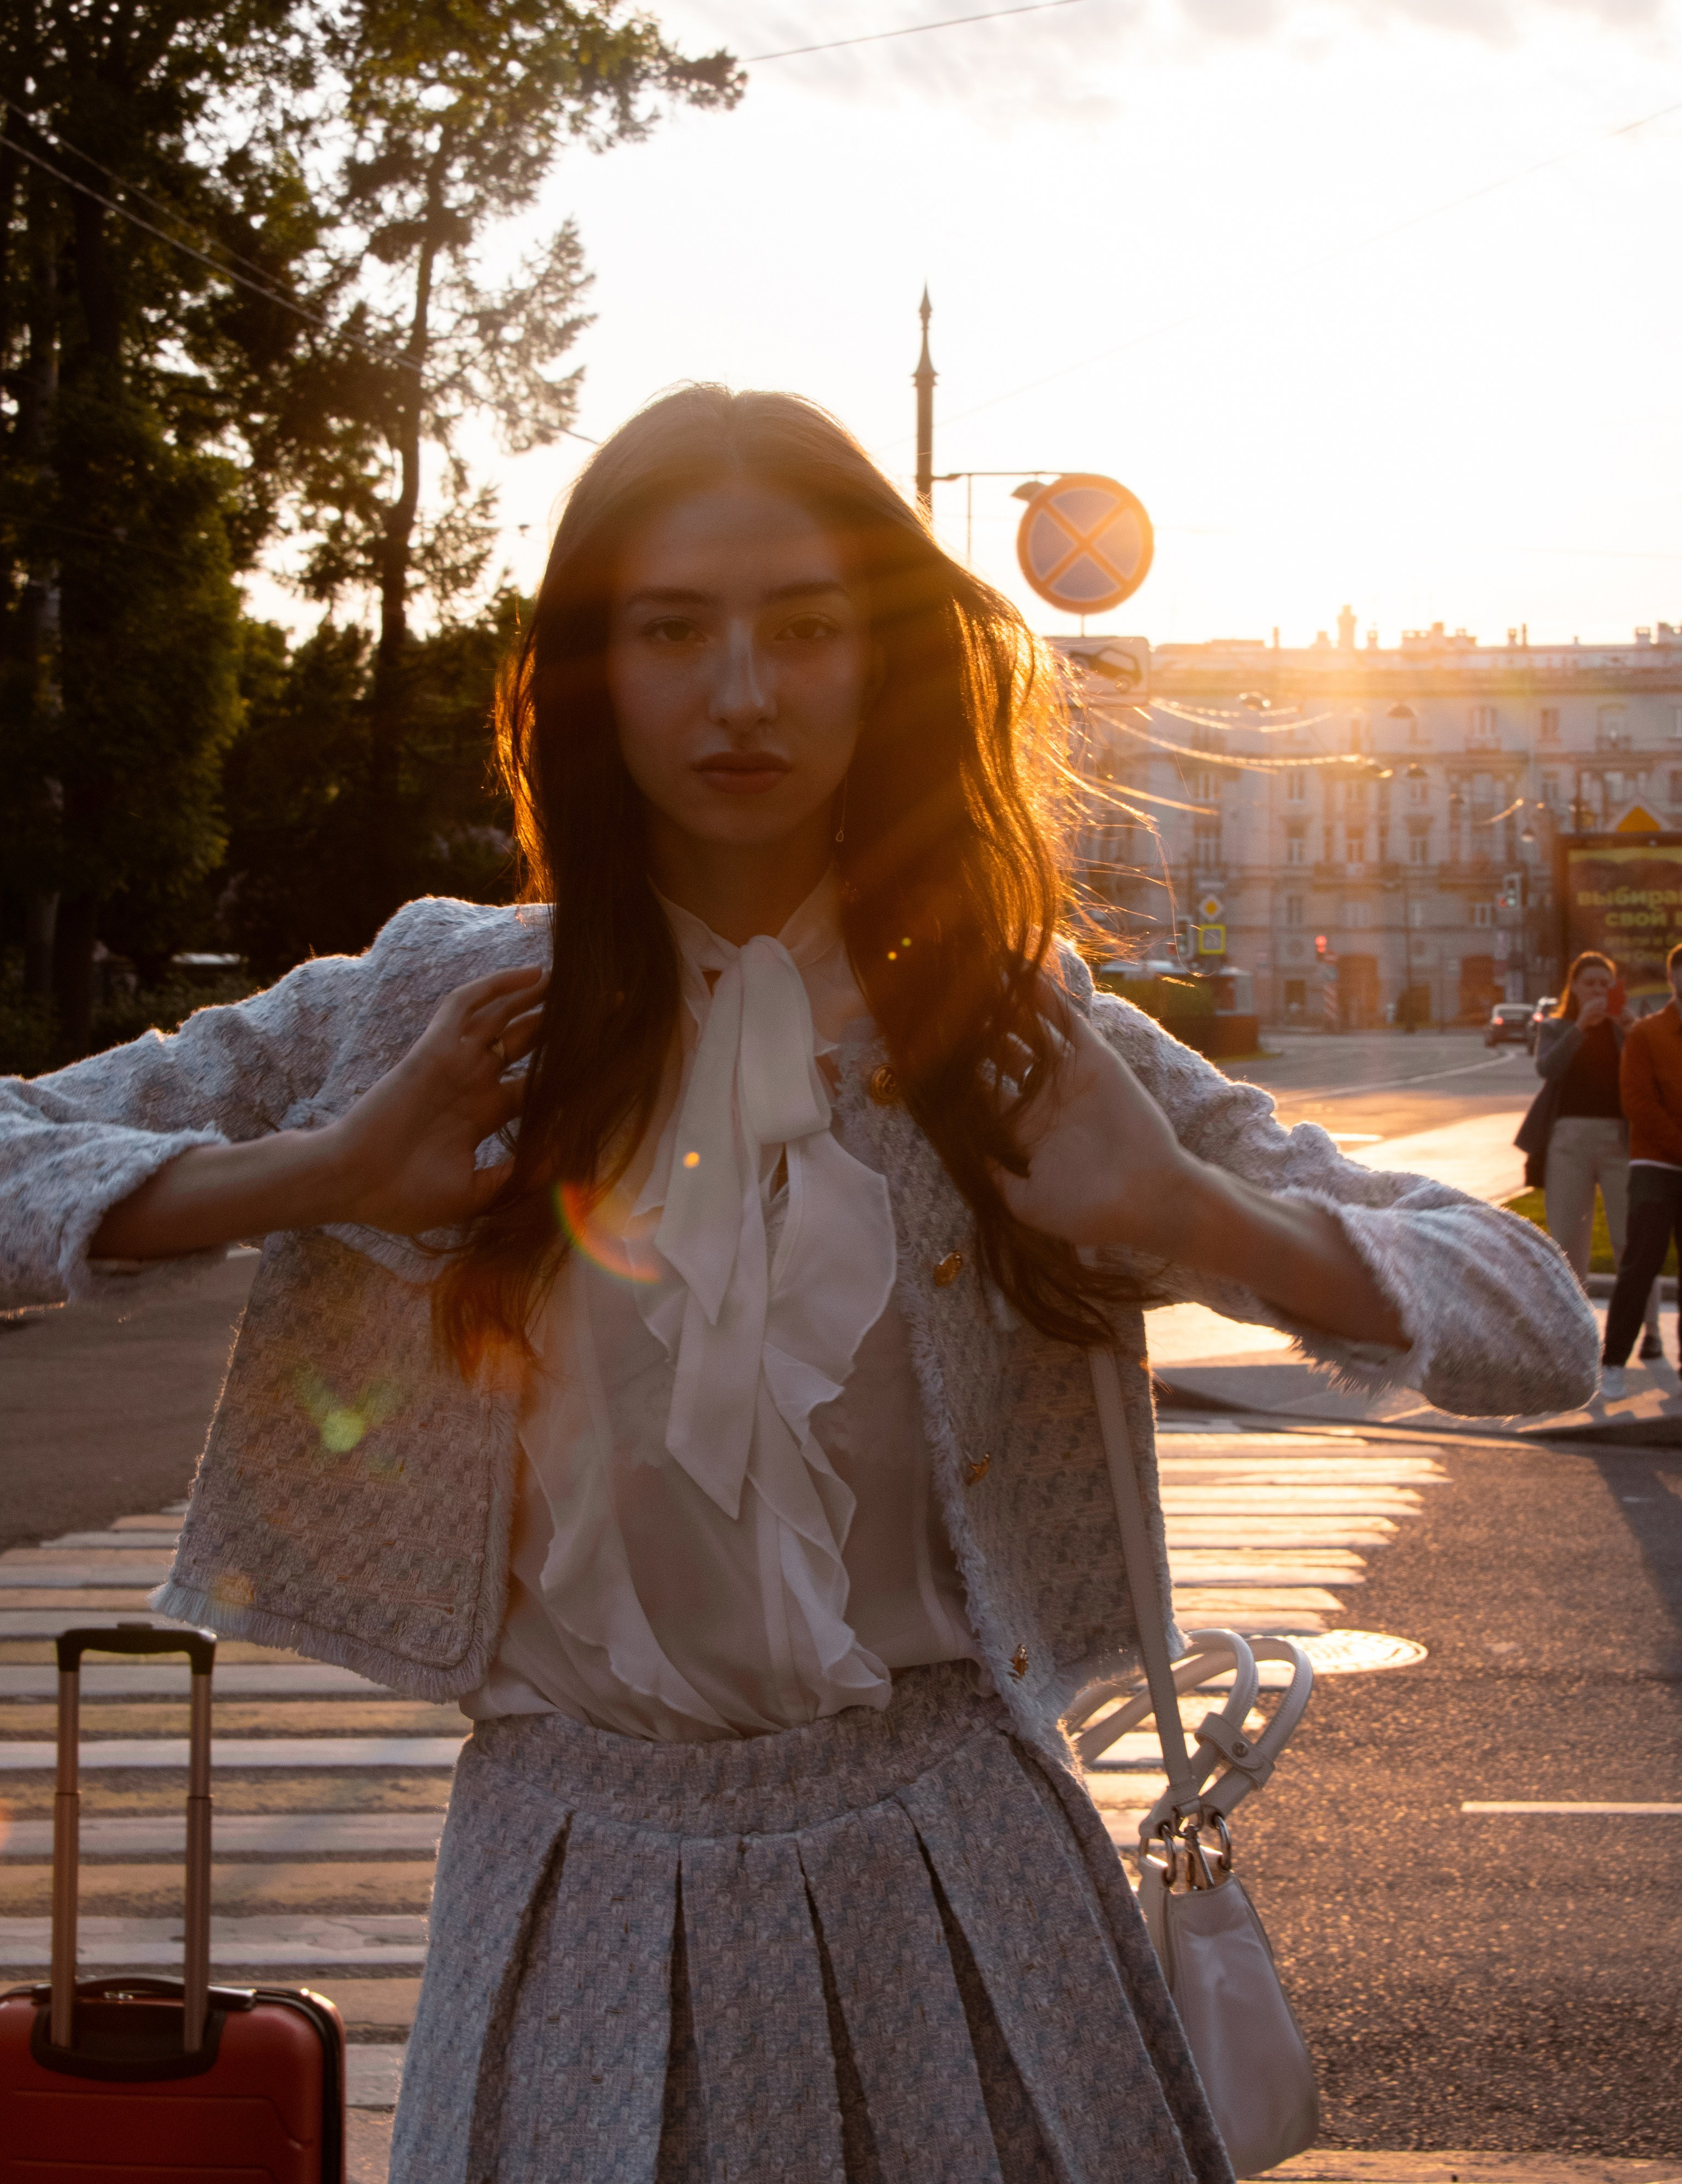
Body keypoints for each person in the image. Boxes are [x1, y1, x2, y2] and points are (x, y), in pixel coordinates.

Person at [0, 388, 1597, 2183]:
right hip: (568, 1886)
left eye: (806, 626)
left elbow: (1530, 1319)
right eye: (673, 629)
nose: (741, 693)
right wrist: (324, 1174)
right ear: (592, 670)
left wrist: (1192, 1211)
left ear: (886, 662)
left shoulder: (1006, 1028)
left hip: (965, 1893)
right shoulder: (444, 1005)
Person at [1517, 949, 1663, 1363]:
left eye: (1606, 983)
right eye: (1591, 983)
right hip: (1568, 1141)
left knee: (1631, 1241)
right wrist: (1581, 1027)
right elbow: (1548, 1069)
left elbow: (1653, 1074)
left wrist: (1631, 1030)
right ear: (1575, 987)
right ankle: (1574, 1334)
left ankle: (1651, 1331)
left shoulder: (1627, 1028)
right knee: (1568, 1239)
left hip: (1621, 1141)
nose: (1599, 990)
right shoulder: (1559, 1026)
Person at [1596, 942, 1682, 1398]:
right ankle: (1613, 1361)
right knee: (1640, 1264)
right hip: (1655, 1164)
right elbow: (1639, 1104)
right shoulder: (1648, 1034)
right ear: (1673, 978)